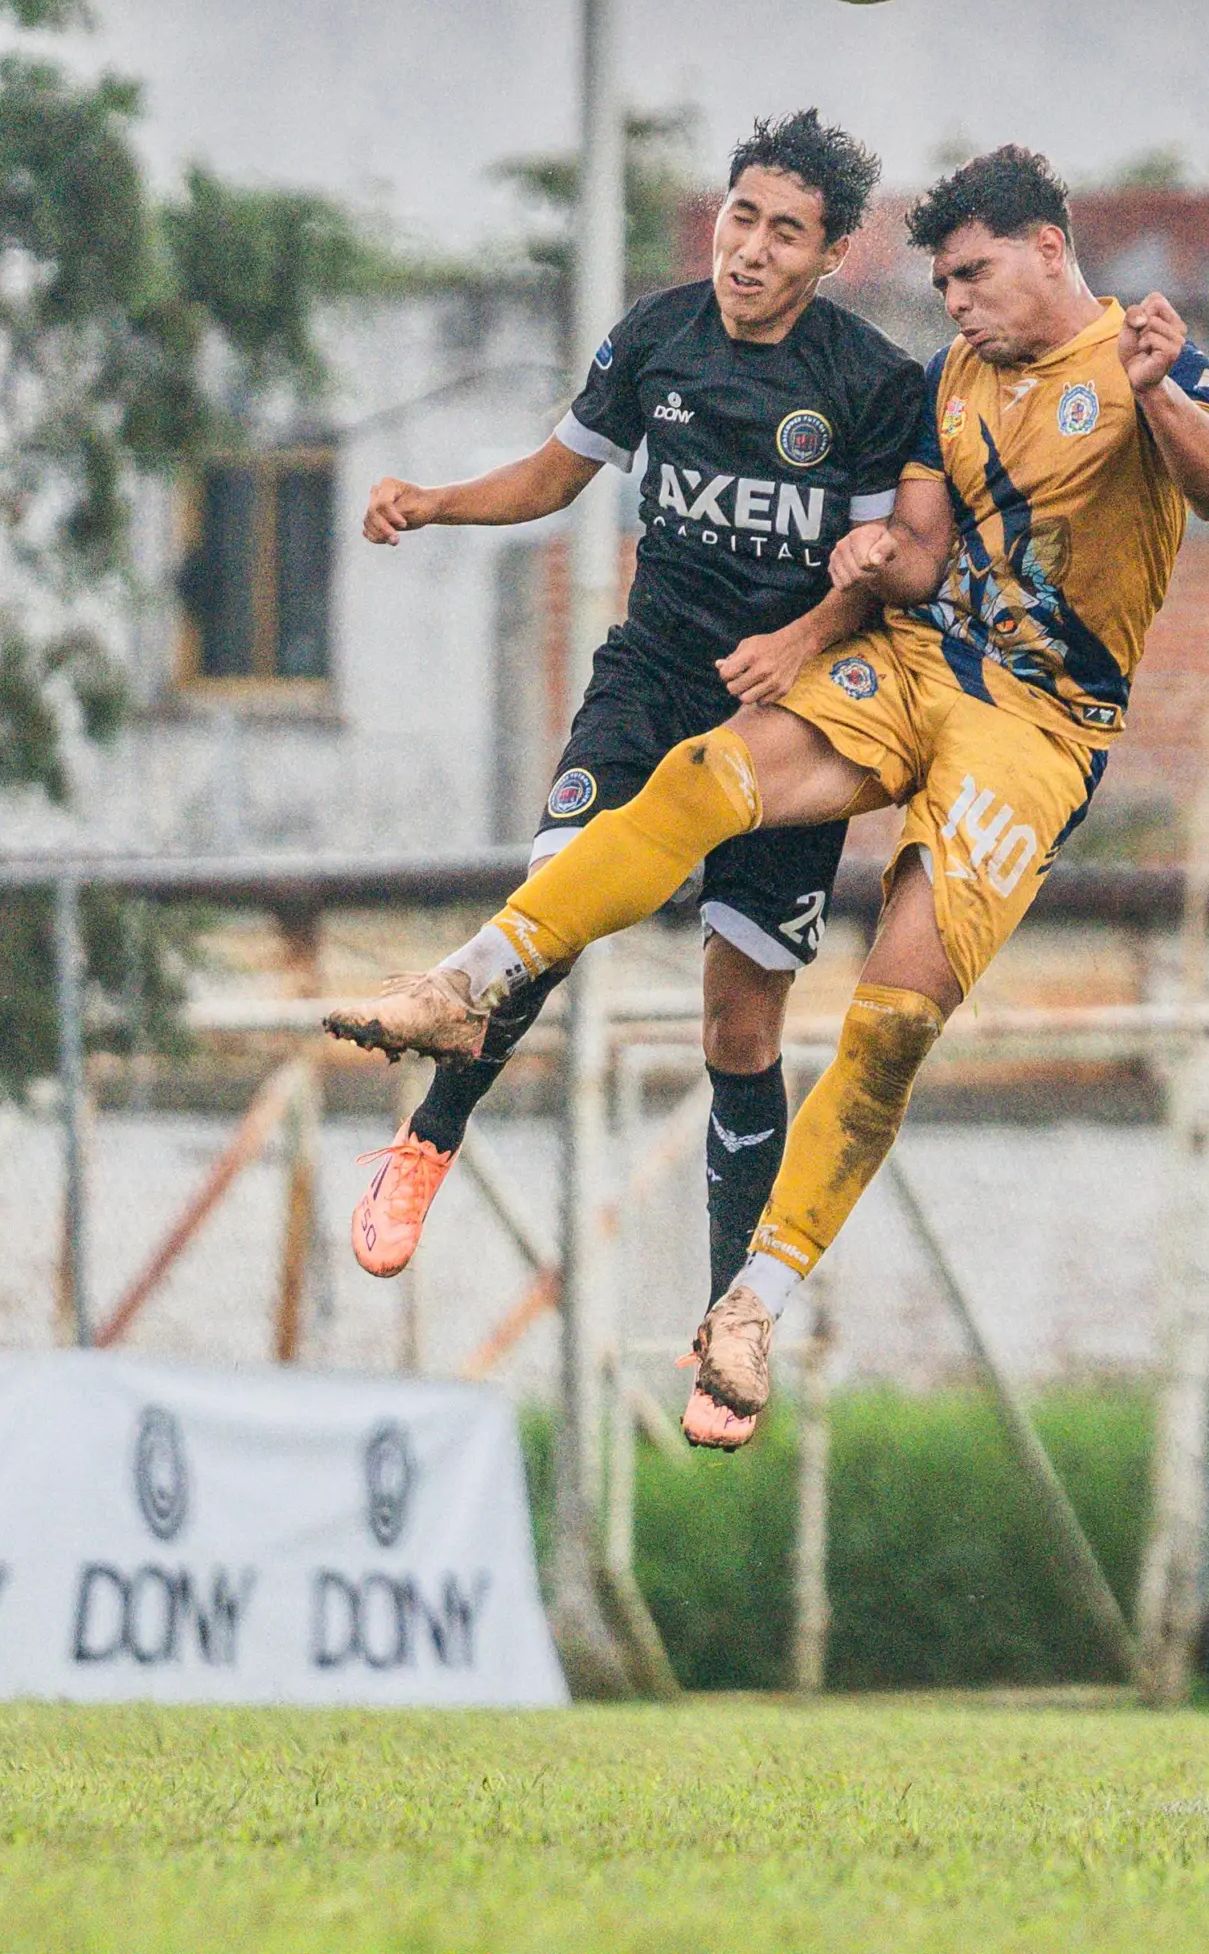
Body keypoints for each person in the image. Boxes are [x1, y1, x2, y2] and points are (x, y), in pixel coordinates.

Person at [331, 142, 1209, 1438]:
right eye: (941, 282)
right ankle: (462, 992)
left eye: (974, 275)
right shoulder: (939, 378)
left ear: (1049, 249)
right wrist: (883, 560)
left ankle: (748, 1306)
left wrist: (1158, 398)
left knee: (876, 1025)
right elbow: (925, 556)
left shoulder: (1139, 359)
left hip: (1034, 732)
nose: (959, 302)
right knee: (706, 776)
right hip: (891, 667)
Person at [325, 108, 924, 1445]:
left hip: (790, 725)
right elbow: (555, 472)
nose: (750, 249)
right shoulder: (655, 337)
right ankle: (427, 1143)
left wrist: (805, 641)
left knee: (740, 1034)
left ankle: (725, 1326)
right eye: (739, 217)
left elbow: (897, 573)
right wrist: (432, 501)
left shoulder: (875, 385)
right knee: (559, 896)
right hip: (649, 686)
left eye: (785, 231)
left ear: (829, 255)